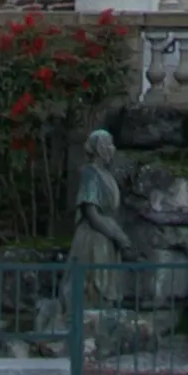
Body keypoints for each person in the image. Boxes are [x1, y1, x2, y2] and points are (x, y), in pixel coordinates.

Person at [66, 127, 129, 305]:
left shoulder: (107, 175)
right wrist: (116, 235)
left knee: (108, 286)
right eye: (109, 144)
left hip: (107, 237)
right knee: (94, 286)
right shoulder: (90, 173)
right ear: (100, 148)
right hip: (94, 238)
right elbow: (91, 213)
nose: (112, 149)